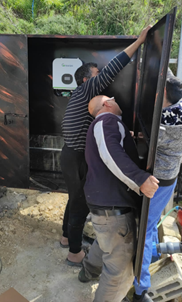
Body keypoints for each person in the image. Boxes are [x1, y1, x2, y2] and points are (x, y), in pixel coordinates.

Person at [60, 25, 152, 266]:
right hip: (75, 157)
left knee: (74, 198)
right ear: (86, 79)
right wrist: (139, 41)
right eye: (96, 73)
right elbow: (113, 69)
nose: (100, 76)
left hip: (70, 155)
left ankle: (66, 237)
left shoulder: (79, 98)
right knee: (79, 203)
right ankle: (74, 253)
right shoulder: (87, 90)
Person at [77, 95, 159, 302]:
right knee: (120, 273)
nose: (116, 99)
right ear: (106, 104)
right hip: (112, 207)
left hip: (103, 205)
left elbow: (111, 148)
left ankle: (87, 271)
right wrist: (140, 180)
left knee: (106, 240)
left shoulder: (108, 124)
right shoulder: (106, 121)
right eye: (112, 98)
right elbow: (111, 153)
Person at [133, 75, 182, 302]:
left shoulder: (163, 120)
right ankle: (153, 255)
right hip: (170, 178)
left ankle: (141, 288)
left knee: (144, 228)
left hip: (157, 181)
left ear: (163, 94)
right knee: (151, 222)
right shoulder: (179, 109)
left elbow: (149, 137)